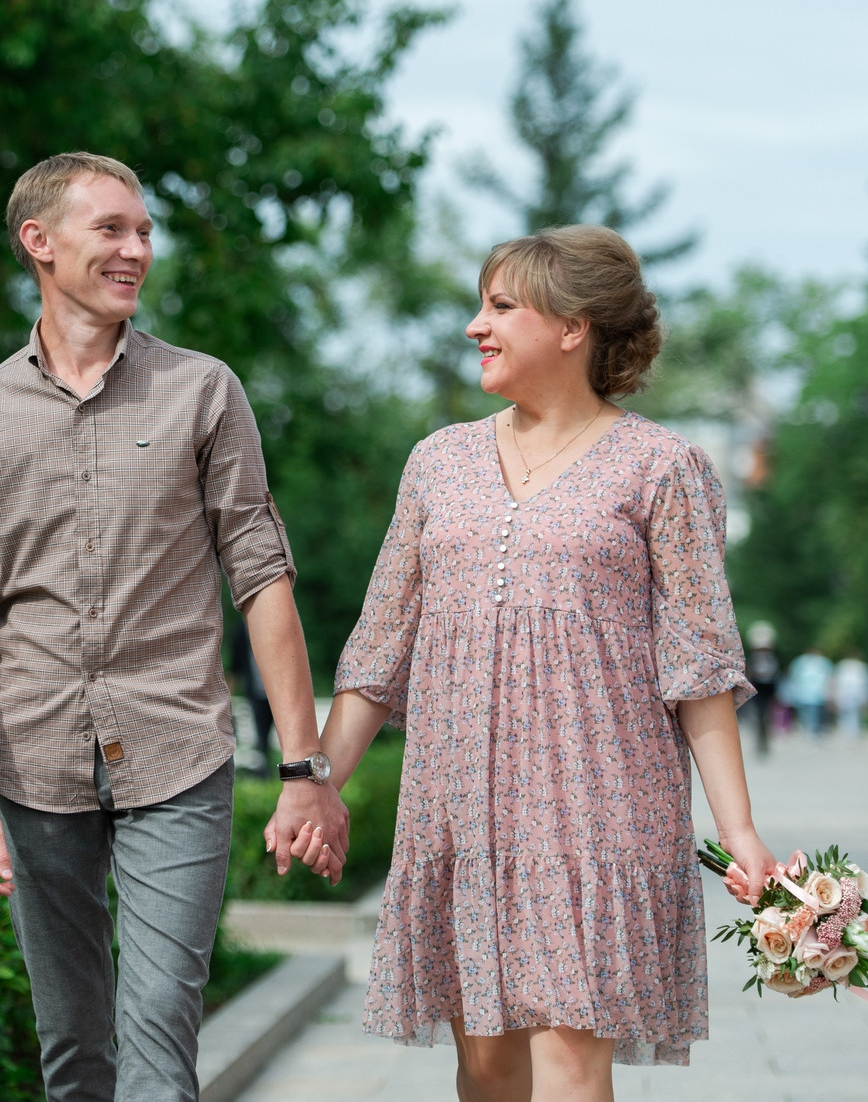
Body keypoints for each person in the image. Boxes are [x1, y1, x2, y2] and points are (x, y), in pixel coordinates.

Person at [299, 225, 780, 1098]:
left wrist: (739, 829)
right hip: (461, 806)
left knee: (569, 1061)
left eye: (501, 306)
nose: (477, 326)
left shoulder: (664, 468)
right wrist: (318, 780)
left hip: (603, 803)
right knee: (485, 1071)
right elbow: (380, 647)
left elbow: (702, 669)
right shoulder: (436, 463)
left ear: (574, 326)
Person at [0, 152, 348, 1102]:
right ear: (40, 242)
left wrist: (305, 769)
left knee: (158, 1040)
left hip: (177, 753)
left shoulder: (202, 391)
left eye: (144, 230)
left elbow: (263, 575)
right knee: (72, 1048)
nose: (137, 247)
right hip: (33, 767)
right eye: (111, 227)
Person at [229, 619, 275, 770]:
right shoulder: (242, 630)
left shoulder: (273, 625)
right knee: (260, 731)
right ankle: (262, 769)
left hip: (274, 690)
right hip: (255, 689)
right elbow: (235, 662)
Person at [744, 621, 781, 758]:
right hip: (758, 690)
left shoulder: (772, 658)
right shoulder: (754, 659)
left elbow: (775, 675)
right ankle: (759, 743)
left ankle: (765, 743)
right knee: (759, 716)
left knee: (767, 717)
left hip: (768, 690)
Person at [786, 645, 833, 736]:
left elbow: (793, 676)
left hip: (803, 692)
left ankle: (808, 731)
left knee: (805, 714)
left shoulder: (800, 661)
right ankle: (812, 732)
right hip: (816, 693)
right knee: (814, 714)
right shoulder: (824, 662)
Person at [831, 650, 868, 743]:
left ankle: (849, 733)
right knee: (853, 715)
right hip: (853, 694)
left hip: (850, 694)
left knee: (848, 715)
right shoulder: (861, 666)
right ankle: (852, 734)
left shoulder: (843, 665)